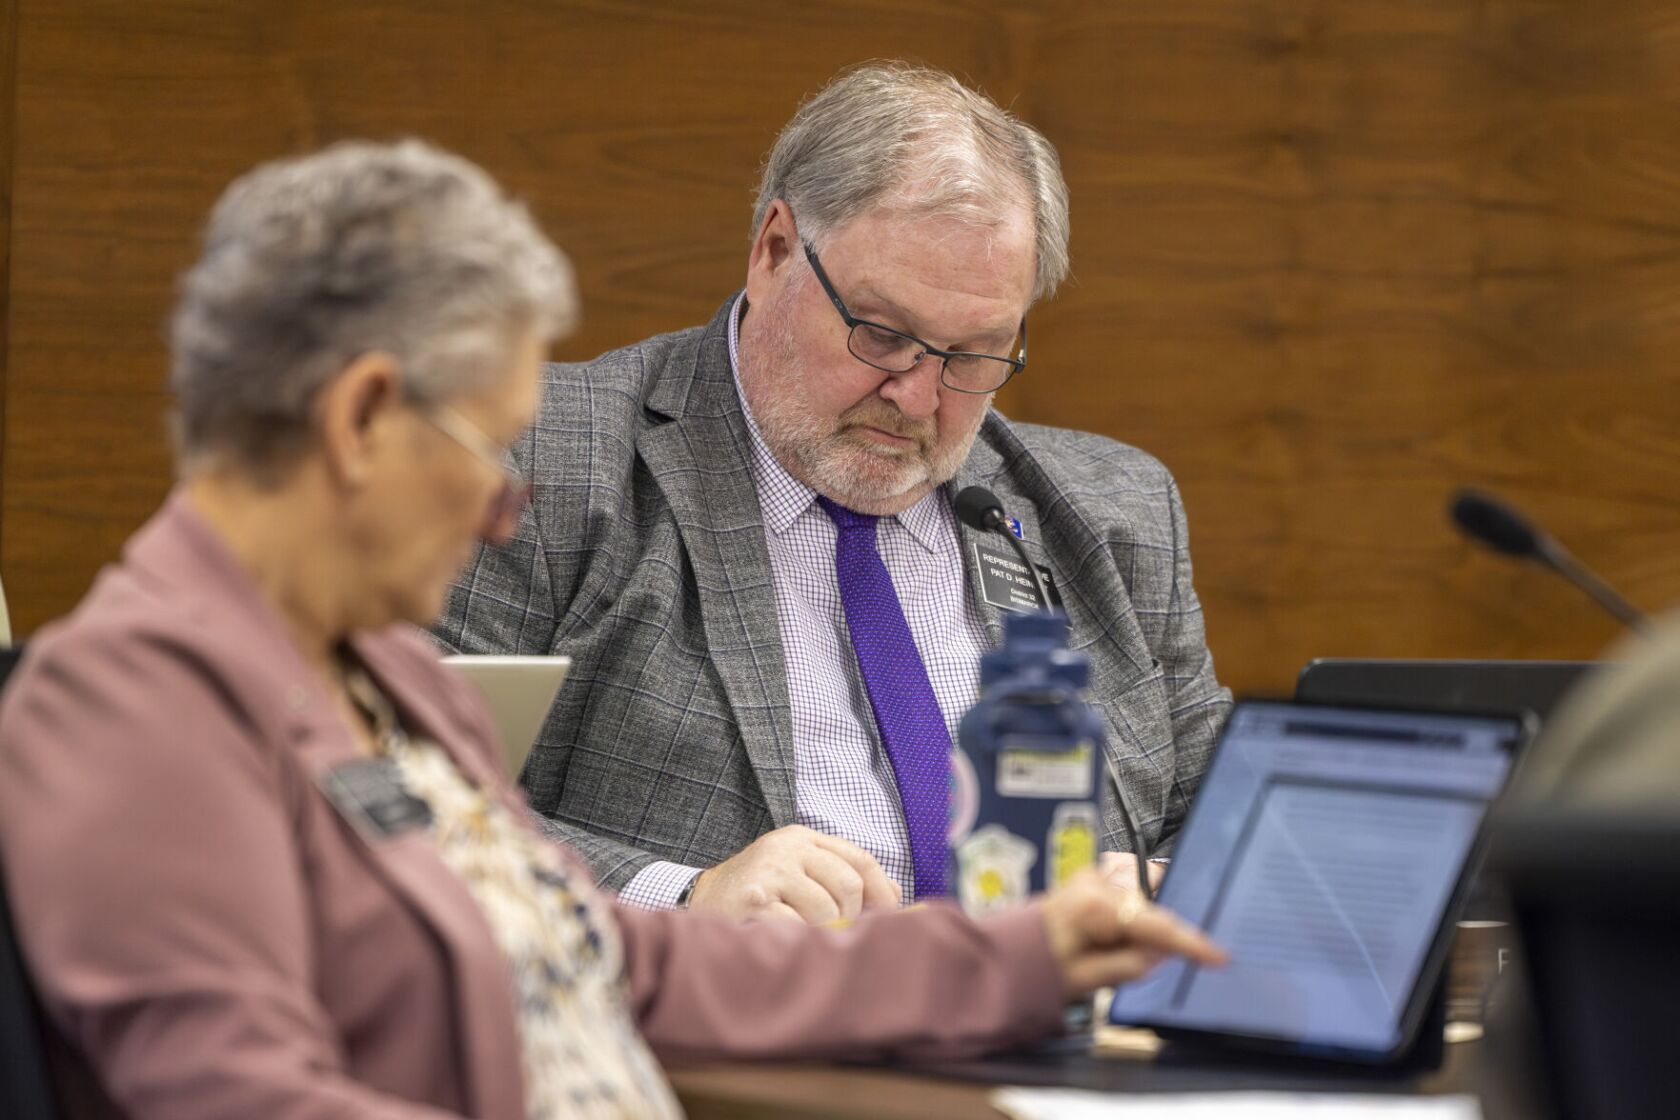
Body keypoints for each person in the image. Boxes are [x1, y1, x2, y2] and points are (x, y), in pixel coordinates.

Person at [0, 140, 1224, 1120]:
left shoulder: (373, 675)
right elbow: (238, 1092)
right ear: (362, 419)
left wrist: (1014, 960)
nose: (499, 517)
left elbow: (624, 966)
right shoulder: (122, 702)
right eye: (489, 454)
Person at [437, 61, 1231, 921]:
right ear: (775, 251)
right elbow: (403, 795)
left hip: (1067, 1035)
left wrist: (1170, 887)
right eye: (884, 335)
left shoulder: (1111, 511)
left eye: (975, 355)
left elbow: (1226, 818)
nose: (920, 398)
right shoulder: (540, 459)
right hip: (713, 1036)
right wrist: (685, 897)